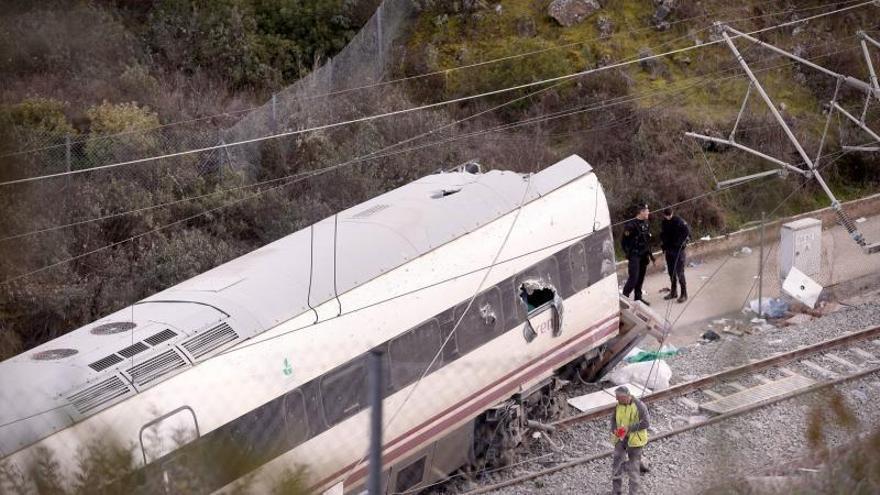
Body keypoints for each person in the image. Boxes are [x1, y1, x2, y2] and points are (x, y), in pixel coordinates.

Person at [610, 386, 650, 495]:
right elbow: (613, 419)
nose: (616, 399)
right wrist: (614, 429)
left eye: (618, 397)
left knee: (633, 468)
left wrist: (629, 428)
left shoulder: (640, 406)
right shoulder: (619, 405)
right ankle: (616, 491)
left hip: (635, 441)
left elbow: (646, 423)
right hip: (621, 439)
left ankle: (633, 492)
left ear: (625, 397)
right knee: (616, 464)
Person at [621, 204, 654, 305]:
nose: (648, 212)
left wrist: (650, 254)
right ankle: (624, 299)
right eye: (647, 211)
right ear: (641, 212)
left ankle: (638, 298)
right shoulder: (631, 225)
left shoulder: (646, 223)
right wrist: (628, 253)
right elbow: (623, 242)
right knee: (634, 278)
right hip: (635, 255)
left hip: (644, 254)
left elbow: (647, 240)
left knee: (640, 278)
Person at [660, 208, 690, 303]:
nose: (668, 217)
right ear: (664, 215)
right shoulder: (664, 222)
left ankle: (684, 294)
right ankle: (673, 292)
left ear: (672, 213)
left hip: (678, 251)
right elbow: (663, 235)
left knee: (680, 273)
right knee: (671, 272)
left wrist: (680, 242)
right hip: (669, 250)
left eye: (669, 215)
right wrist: (664, 246)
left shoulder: (678, 221)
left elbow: (687, 232)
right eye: (666, 215)